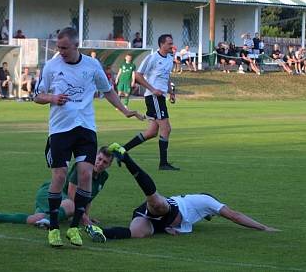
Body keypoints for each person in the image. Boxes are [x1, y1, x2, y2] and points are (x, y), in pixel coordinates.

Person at [34, 27, 143, 248]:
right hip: (60, 130)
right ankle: (54, 228)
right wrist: (53, 98)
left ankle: (74, 228)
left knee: (86, 174)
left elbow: (107, 90)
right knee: (59, 176)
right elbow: (37, 95)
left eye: (64, 48)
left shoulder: (92, 66)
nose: (61, 51)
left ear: (76, 46)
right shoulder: (52, 66)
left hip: (85, 128)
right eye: (58, 47)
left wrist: (124, 110)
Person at [99, 143, 278, 240]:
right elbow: (234, 215)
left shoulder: (196, 212)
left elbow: (184, 224)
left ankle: (97, 231)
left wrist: (174, 228)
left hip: (159, 222)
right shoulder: (205, 201)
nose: (214, 214)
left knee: (136, 232)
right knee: (157, 202)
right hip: (169, 209)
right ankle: (128, 158)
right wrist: (263, 227)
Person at [0, 146, 113, 243]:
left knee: (34, 219)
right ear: (95, 156)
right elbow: (72, 194)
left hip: (62, 202)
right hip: (52, 192)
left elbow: (88, 197)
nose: (100, 163)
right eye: (99, 159)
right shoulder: (82, 167)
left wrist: (87, 217)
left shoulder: (103, 177)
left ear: (109, 165)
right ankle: (49, 220)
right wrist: (83, 218)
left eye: (105, 162)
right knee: (72, 205)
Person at [119, 34, 180, 171]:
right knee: (166, 128)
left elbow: (166, 76)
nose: (172, 46)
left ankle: (121, 150)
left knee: (152, 132)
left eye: (172, 43)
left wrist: (171, 92)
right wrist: (153, 89)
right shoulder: (152, 58)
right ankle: (163, 164)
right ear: (162, 44)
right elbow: (138, 75)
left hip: (160, 97)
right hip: (153, 97)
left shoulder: (170, 59)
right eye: (169, 44)